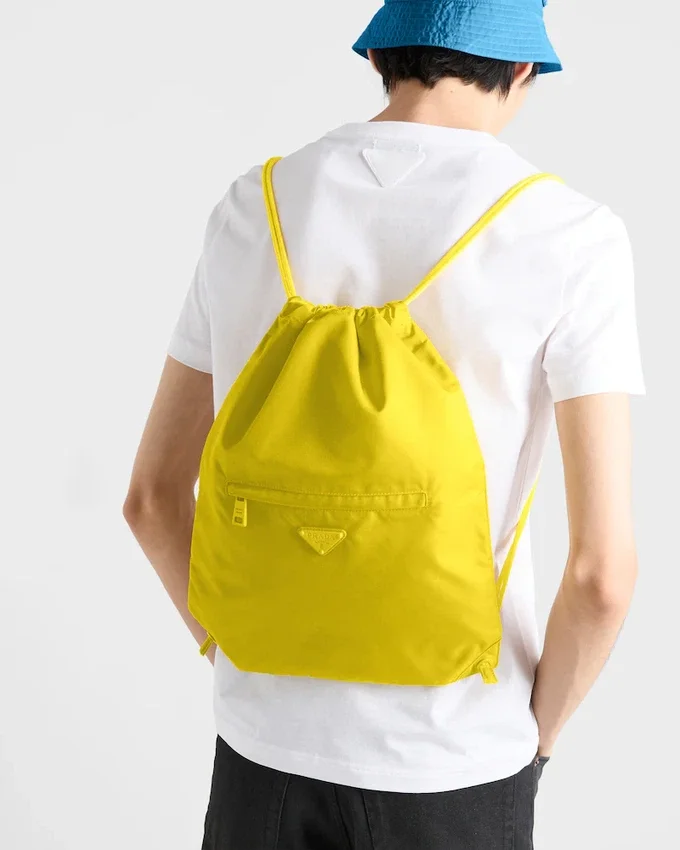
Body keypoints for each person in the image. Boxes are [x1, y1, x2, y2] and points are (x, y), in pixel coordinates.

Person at [123, 1, 644, 846]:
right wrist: (535, 740)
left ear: (379, 57)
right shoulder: (571, 234)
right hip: (453, 760)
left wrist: (242, 655)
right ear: (522, 69)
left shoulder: (252, 205)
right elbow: (602, 577)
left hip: (258, 756)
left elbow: (150, 500)